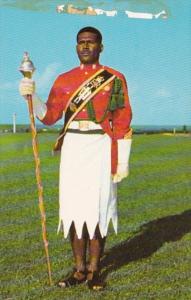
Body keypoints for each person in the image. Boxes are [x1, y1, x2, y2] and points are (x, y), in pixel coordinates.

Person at [19, 26, 132, 290]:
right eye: (81, 42)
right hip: (72, 147)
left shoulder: (113, 78)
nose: (85, 46)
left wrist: (122, 159)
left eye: (91, 43)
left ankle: (95, 270)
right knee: (73, 209)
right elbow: (49, 116)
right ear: (76, 46)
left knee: (97, 209)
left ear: (100, 47)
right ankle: (79, 269)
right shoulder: (64, 79)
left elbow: (123, 119)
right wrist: (31, 95)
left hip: (101, 146)